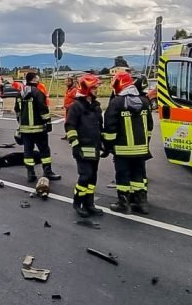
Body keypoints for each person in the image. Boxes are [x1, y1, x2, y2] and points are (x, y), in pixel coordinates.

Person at [103, 71, 153, 214]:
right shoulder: (144, 101)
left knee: (123, 176)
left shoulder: (116, 103)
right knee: (139, 175)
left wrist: (108, 147)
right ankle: (141, 203)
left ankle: (123, 203)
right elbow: (149, 127)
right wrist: (145, 143)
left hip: (122, 150)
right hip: (141, 149)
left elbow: (110, 129)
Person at [66, 74, 104, 217]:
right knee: (85, 176)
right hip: (82, 148)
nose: (96, 90)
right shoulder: (76, 106)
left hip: (94, 148)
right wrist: (75, 145)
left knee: (92, 177)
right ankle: (78, 202)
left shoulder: (96, 106)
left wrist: (104, 144)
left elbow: (100, 126)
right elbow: (70, 126)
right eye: (94, 88)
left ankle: (89, 204)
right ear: (86, 89)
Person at [16, 72, 61, 183]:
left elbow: (17, 111)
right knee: (44, 150)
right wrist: (48, 123)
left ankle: (30, 173)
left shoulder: (20, 94)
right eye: (37, 78)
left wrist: (21, 124)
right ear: (34, 79)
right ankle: (47, 172)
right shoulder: (38, 93)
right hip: (39, 129)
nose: (39, 80)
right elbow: (43, 110)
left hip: (25, 130)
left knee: (28, 151)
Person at [61, 75, 77, 140]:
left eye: (67, 82)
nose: (65, 83)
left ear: (70, 82)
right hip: (68, 109)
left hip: (71, 109)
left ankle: (71, 136)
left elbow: (76, 100)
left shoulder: (74, 90)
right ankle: (68, 134)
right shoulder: (69, 89)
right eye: (65, 82)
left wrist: (69, 105)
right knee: (67, 122)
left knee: (70, 123)